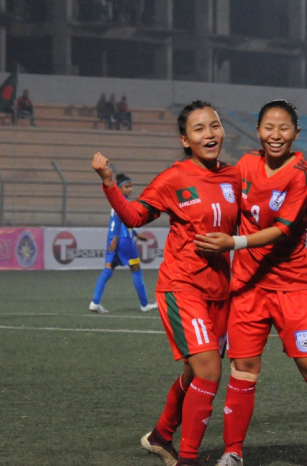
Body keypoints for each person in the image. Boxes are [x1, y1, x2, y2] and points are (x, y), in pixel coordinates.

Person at [194, 100, 307, 466]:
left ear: (296, 133)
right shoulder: (244, 165)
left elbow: (284, 230)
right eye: (268, 128)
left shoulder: (302, 174)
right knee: (243, 370)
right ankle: (232, 453)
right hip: (247, 287)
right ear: (258, 131)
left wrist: (234, 243)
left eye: (284, 128)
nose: (275, 135)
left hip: (292, 286)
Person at [91, 100, 241, 466]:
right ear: (185, 139)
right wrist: (110, 184)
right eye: (199, 129)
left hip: (220, 291)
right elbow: (135, 215)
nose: (210, 134)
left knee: (195, 372)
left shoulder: (234, 176)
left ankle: (161, 435)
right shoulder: (174, 178)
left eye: (215, 125)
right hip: (182, 287)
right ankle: (187, 459)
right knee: (209, 371)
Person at [88, 173, 157, 314]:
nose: (130, 189)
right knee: (136, 269)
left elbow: (122, 222)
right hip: (122, 240)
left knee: (108, 270)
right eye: (126, 187)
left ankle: (95, 302)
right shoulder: (123, 202)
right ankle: (144, 304)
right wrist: (117, 238)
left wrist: (136, 234)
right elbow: (120, 221)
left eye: (131, 186)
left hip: (113, 238)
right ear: (119, 189)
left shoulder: (115, 202)